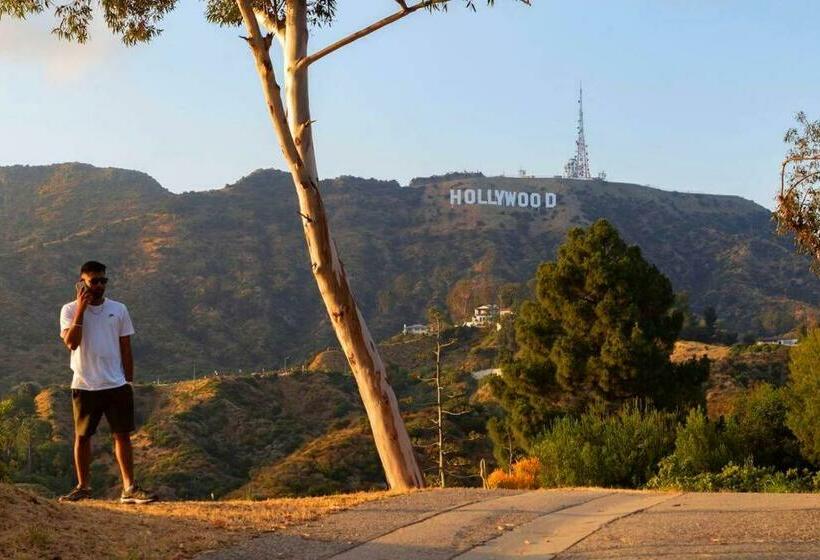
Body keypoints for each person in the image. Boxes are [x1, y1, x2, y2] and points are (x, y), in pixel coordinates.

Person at [57, 261, 156, 504]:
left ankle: (129, 489)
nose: (100, 285)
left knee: (122, 435)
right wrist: (81, 309)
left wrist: (129, 382)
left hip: (116, 384)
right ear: (82, 283)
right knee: (82, 437)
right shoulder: (69, 310)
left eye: (103, 280)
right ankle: (83, 487)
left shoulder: (119, 309)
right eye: (94, 281)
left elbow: (126, 347)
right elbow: (71, 343)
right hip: (84, 384)